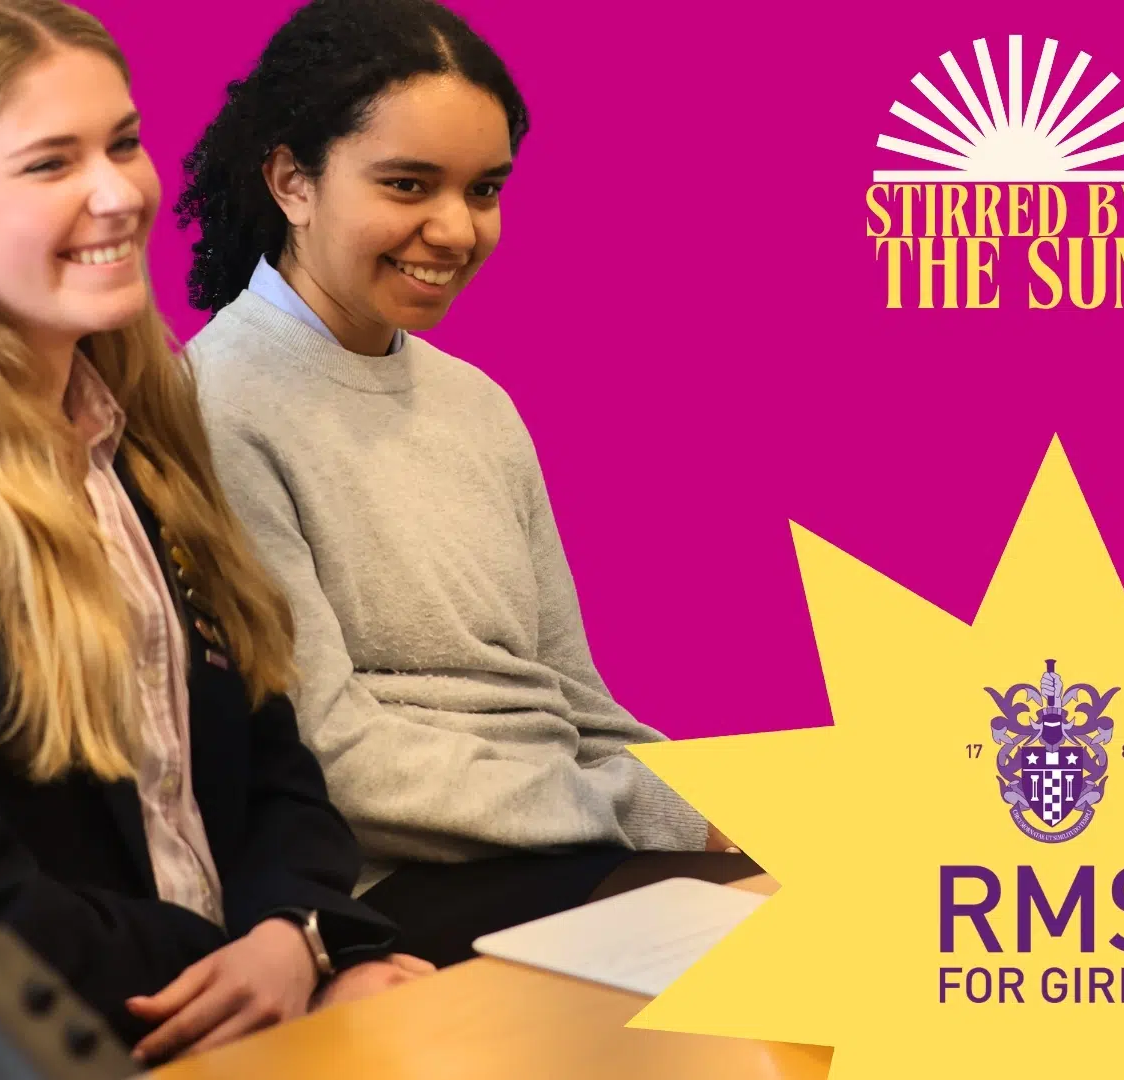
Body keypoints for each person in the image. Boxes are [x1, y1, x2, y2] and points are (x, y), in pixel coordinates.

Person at [0, 0, 426, 1066]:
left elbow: (275, 763)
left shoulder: (142, 431)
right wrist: (247, 971)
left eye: (123, 141)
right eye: (49, 163)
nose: (121, 191)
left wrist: (296, 937)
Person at [179, 0, 758, 968]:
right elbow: (332, 761)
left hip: (560, 843)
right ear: (292, 181)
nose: (453, 229)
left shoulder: (480, 405)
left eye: (484, 190)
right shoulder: (214, 405)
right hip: (386, 889)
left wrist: (726, 801)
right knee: (762, 946)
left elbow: (578, 705)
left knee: (845, 883)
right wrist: (639, 815)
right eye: (408, 184)